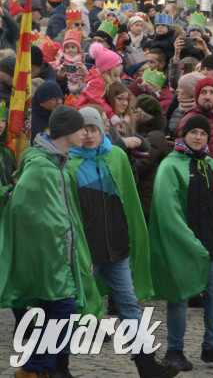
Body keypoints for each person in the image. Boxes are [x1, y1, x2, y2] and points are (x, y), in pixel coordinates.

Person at [67, 107, 176, 378]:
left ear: (104, 129)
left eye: (94, 128)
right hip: (87, 254)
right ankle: (56, 366)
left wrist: (132, 239)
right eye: (84, 130)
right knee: (74, 310)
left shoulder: (115, 156)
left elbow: (129, 201)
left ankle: (146, 364)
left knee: (129, 306)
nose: (89, 135)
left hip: (117, 250)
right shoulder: (69, 164)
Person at [0, 107, 104, 378]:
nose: (85, 133)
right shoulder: (41, 166)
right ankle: (31, 369)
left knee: (52, 313)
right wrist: (54, 233)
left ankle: (43, 369)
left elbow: (69, 215)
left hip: (61, 255)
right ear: (67, 131)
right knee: (63, 311)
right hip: (50, 258)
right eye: (81, 128)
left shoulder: (58, 163)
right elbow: (22, 210)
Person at [148, 115, 213, 371]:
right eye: (193, 132)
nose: (198, 137)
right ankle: (174, 350)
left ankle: (212, 345)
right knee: (180, 297)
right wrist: (188, 242)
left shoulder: (210, 164)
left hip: (212, 244)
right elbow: (167, 210)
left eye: (203, 133)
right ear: (183, 135)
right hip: (183, 245)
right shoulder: (170, 165)